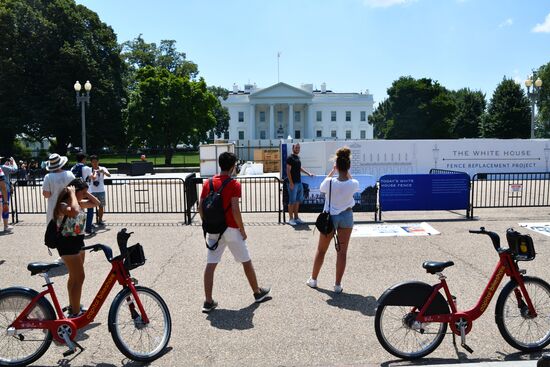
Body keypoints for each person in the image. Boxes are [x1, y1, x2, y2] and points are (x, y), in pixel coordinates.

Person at [198, 151, 271, 313]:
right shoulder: (234, 184)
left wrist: (207, 223)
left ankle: (208, 301)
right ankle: (257, 292)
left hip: (213, 229)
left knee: (210, 265)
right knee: (246, 261)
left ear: (220, 164)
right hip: (231, 228)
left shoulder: (208, 183)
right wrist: (242, 230)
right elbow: (235, 209)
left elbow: (200, 207)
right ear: (232, 167)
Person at [306, 147, 359, 294]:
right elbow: (350, 179)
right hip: (347, 216)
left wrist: (332, 171)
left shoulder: (329, 182)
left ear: (336, 166)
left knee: (321, 250)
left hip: (330, 218)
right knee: (342, 253)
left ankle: (314, 279)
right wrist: (344, 170)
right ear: (348, 166)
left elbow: (323, 186)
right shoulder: (353, 183)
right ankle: (337, 285)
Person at [53, 178, 100, 317]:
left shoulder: (78, 203)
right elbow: (73, 211)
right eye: (83, 192)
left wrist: (85, 193)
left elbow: (97, 203)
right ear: (73, 192)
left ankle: (73, 305)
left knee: (74, 278)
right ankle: (75, 312)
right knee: (80, 277)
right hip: (67, 244)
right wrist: (72, 194)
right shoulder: (62, 205)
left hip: (78, 242)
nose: (85, 195)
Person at [285, 143, 313, 226]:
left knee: (297, 201)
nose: (297, 149)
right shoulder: (290, 158)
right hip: (293, 183)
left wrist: (308, 173)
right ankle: (290, 219)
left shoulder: (297, 157)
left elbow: (299, 168)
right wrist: (291, 183)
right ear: (293, 148)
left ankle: (296, 218)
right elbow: (288, 171)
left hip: (299, 182)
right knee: (292, 201)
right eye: (296, 147)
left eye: (298, 148)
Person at [42, 154, 75, 224]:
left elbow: (46, 194)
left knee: (54, 229)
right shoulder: (70, 174)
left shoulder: (48, 177)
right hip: (68, 204)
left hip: (54, 206)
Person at [71, 153, 94, 234]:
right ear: (83, 159)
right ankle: (88, 228)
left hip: (76, 192)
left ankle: (78, 228)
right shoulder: (86, 168)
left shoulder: (73, 168)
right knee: (90, 208)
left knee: (79, 209)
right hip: (86, 191)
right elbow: (91, 177)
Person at [89, 155, 111, 225]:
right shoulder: (89, 169)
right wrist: (93, 173)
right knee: (90, 207)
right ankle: (90, 222)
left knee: (101, 206)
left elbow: (109, 175)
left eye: (96, 162)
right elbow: (90, 178)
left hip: (101, 190)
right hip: (92, 190)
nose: (95, 163)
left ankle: (100, 220)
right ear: (91, 163)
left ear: (98, 161)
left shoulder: (103, 168)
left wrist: (103, 172)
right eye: (93, 162)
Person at [0, 157, 18, 232]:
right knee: (5, 208)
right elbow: (15, 169)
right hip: (3, 191)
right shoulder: (3, 167)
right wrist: (13, 161)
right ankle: (6, 225)